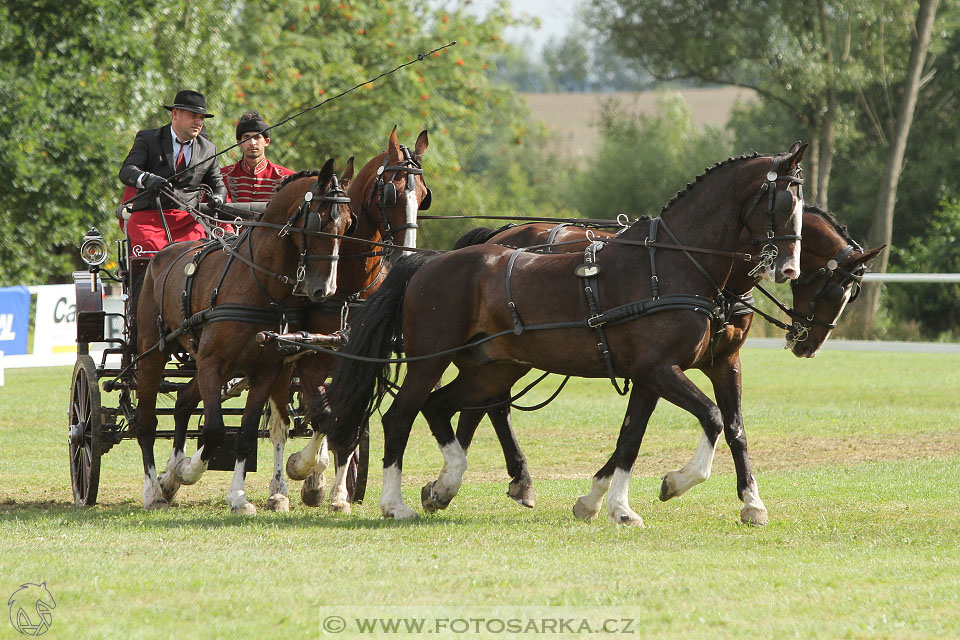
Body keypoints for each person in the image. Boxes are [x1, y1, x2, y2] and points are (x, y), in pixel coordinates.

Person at [118, 89, 229, 254]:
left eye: (201, 118)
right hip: (150, 219)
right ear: (175, 114)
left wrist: (219, 197)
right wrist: (147, 178)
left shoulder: (209, 149)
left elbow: (218, 184)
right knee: (150, 255)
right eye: (194, 116)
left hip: (188, 221)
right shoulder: (149, 138)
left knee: (196, 255)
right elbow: (127, 171)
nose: (199, 122)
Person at [220, 110, 296, 203]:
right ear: (239, 143)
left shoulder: (287, 178)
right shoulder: (222, 176)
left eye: (257, 137)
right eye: (246, 137)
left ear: (266, 141)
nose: (252, 143)